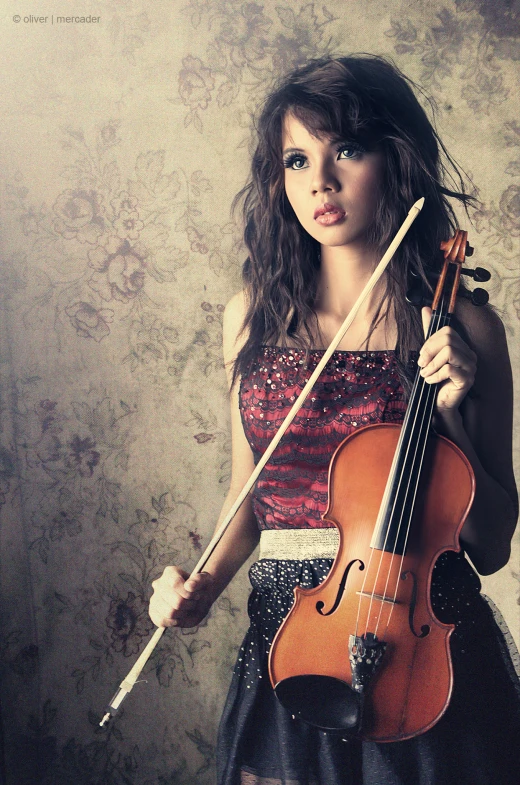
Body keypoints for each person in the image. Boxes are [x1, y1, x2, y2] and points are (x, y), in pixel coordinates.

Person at [149, 56, 520, 784]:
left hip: (421, 650)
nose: (320, 180)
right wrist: (199, 587)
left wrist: (454, 415)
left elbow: (494, 541)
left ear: (396, 159)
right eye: (297, 158)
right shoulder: (250, 317)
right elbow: (247, 494)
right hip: (290, 639)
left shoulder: (465, 328)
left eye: (346, 149)